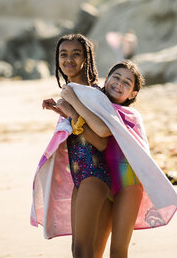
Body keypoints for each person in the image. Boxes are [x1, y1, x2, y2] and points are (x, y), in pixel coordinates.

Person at [59, 60, 177, 258]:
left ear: (132, 94)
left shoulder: (131, 116)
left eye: (127, 82)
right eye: (116, 77)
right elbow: (90, 134)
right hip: (104, 182)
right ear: (106, 80)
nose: (119, 83)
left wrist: (73, 103)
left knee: (118, 250)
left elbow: (138, 154)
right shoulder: (95, 108)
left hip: (129, 186)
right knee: (95, 252)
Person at [31, 33, 111, 258]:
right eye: (63, 54)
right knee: (85, 251)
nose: (69, 59)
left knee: (82, 251)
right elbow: (80, 131)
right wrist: (62, 111)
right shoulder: (74, 93)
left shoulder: (93, 94)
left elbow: (101, 141)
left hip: (95, 177)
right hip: (81, 179)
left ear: (87, 58)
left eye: (76, 54)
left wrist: (72, 111)